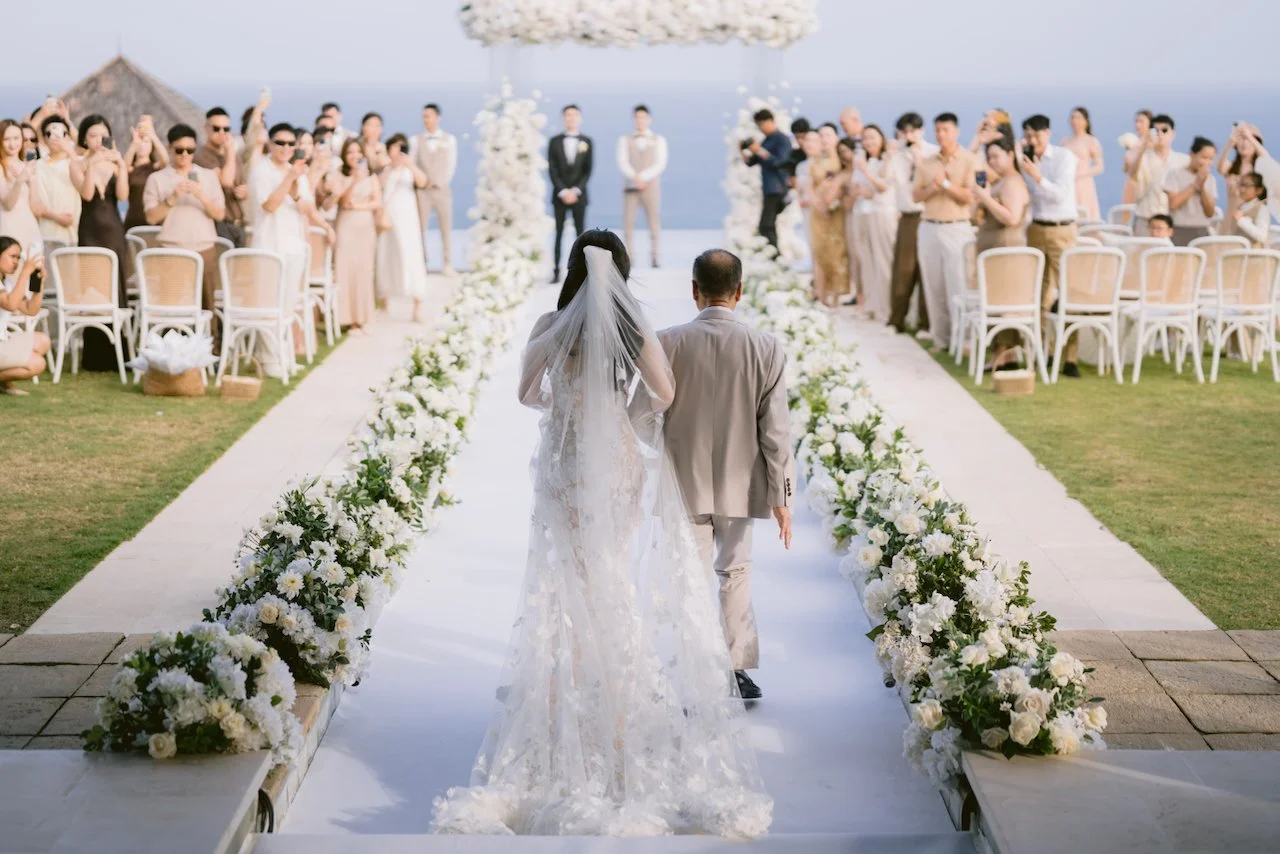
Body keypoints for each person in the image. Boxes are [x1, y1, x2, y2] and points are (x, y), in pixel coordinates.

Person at [431, 231, 772, 838]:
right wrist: (616, 407)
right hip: (615, 460)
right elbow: (664, 392)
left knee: (569, 574)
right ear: (622, 273)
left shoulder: (551, 324)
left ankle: (572, 685)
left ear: (571, 270)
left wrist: (564, 408)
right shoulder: (631, 326)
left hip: (565, 463)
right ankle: (618, 694)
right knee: (611, 569)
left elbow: (525, 393)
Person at [659, 246, 793, 701]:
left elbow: (641, 413)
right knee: (735, 572)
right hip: (742, 482)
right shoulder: (766, 347)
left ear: (694, 290)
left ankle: (693, 664)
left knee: (690, 575)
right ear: (739, 292)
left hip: (682, 481)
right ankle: (735, 670)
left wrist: (665, 448)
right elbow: (776, 430)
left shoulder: (667, 343)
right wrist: (782, 495)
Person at [248, 123, 334, 373]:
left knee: (287, 304)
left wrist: (296, 191)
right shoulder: (261, 170)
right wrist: (289, 179)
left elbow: (306, 207)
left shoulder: (298, 172)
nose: (285, 148)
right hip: (268, 244)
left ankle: (283, 354)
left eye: (290, 144)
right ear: (270, 144)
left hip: (293, 244)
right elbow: (269, 205)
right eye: (280, 143)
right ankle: (269, 359)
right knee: (269, 304)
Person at [142, 123, 226, 343]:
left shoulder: (207, 176)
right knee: (172, 306)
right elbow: (151, 217)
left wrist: (201, 196)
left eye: (190, 150)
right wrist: (173, 197)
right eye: (180, 150)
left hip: (204, 248)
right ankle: (170, 349)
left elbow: (219, 214)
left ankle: (211, 350)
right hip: (171, 250)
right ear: (170, 148)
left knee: (207, 306)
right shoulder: (157, 178)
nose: (185, 155)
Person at [1020, 114, 1080, 375]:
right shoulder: (1025, 160)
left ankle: (1070, 357)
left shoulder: (1064, 158)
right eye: (1028, 136)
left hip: (1061, 229)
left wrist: (1037, 177)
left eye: (1037, 135)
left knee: (1068, 289)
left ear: (1047, 133)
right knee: (1039, 292)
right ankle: (1043, 351)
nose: (1033, 140)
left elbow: (1060, 195)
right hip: (1036, 228)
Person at [913, 112, 976, 351]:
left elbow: (970, 196)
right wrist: (934, 186)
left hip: (957, 227)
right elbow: (916, 195)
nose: (941, 134)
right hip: (929, 226)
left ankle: (964, 341)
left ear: (956, 131)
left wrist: (947, 185)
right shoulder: (926, 162)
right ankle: (941, 339)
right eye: (938, 130)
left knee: (958, 284)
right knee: (934, 286)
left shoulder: (969, 160)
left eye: (945, 130)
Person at [72, 114, 129, 371]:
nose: (98, 140)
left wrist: (122, 166)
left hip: (114, 229)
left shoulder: (115, 163)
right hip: (90, 229)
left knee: (116, 285)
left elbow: (123, 195)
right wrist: (92, 165)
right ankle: (95, 354)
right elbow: (86, 194)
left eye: (103, 135)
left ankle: (119, 352)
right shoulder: (77, 164)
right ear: (84, 138)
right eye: (93, 135)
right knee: (92, 287)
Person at [974, 137, 1031, 371]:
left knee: (1005, 303)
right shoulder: (999, 181)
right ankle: (1002, 354)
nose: (992, 162)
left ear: (1010, 155)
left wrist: (986, 198)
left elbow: (1012, 217)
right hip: (994, 251)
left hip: (1006, 252)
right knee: (997, 303)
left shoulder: (1013, 183)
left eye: (996, 156)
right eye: (989, 157)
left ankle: (1005, 355)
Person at [887, 112, 937, 334]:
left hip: (927, 214)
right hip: (906, 216)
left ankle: (926, 323)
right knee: (903, 270)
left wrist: (919, 162)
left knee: (926, 270)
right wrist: (890, 154)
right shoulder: (897, 155)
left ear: (921, 131)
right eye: (905, 132)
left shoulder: (933, 152)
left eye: (913, 131)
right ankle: (896, 319)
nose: (909, 136)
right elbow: (885, 181)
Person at [375, 133, 429, 322]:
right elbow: (378, 186)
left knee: (412, 257)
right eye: (395, 147)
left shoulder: (410, 169)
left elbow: (423, 182)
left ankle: (417, 306)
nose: (398, 151)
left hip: (408, 220)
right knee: (386, 256)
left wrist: (410, 165)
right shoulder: (385, 170)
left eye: (402, 147)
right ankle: (384, 303)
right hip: (389, 219)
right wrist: (390, 167)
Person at [850, 125, 899, 323]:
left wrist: (867, 177)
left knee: (883, 261)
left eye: (872, 137)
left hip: (881, 214)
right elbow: (855, 187)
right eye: (865, 138)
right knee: (866, 261)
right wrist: (860, 189)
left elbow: (884, 187)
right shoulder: (863, 160)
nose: (869, 142)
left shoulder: (888, 159)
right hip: (862, 213)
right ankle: (870, 305)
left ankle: (886, 309)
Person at [331, 139, 380, 331]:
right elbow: (343, 201)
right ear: (344, 155)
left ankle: (363, 317)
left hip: (365, 226)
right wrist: (354, 181)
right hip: (346, 225)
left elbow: (377, 202)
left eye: (358, 152)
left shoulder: (371, 176)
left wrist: (359, 206)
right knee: (345, 270)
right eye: (350, 152)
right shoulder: (339, 175)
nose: (355, 156)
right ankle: (348, 319)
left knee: (364, 270)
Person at [617, 104, 668, 268]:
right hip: (630, 186)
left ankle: (655, 256)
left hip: (651, 186)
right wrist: (634, 177)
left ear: (649, 119)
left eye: (643, 117)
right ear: (633, 119)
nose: (640, 120)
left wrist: (644, 177)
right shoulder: (624, 140)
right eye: (637, 117)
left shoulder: (659, 140)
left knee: (654, 221)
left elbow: (660, 163)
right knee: (628, 222)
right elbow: (622, 161)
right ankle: (629, 256)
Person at [547, 104, 594, 282]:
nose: (571, 118)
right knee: (558, 234)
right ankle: (556, 271)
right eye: (568, 115)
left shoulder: (587, 141)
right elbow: (552, 168)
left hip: (579, 196)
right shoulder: (554, 141)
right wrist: (562, 190)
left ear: (579, 118)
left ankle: (581, 272)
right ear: (563, 118)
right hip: (559, 195)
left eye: (574, 115)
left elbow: (588, 170)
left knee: (581, 235)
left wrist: (575, 190)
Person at [410, 103, 457, 275]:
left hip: (442, 189)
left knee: (446, 226)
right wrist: (422, 183)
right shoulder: (416, 140)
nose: (426, 120)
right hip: (422, 191)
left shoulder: (449, 140)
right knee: (420, 228)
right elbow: (413, 163)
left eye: (429, 116)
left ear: (438, 118)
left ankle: (447, 262)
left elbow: (451, 165)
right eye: (424, 116)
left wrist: (441, 181)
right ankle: (422, 263)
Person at [0, 238, 50, 396]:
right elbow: (10, 304)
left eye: (18, 257)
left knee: (43, 341)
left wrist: (39, 284)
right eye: (12, 256)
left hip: (3, 339)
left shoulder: (7, 282)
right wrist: (25, 272)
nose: (16, 262)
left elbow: (30, 309)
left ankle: (3, 382)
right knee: (37, 363)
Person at [1127, 114, 1188, 236]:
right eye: (1156, 131)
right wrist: (1144, 147)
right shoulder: (1143, 157)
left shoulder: (1183, 160)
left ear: (1173, 133)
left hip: (1171, 222)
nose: (1160, 134)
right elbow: (1132, 174)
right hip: (1145, 219)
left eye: (1164, 130)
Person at [740, 109, 792, 251]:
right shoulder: (766, 141)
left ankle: (774, 255)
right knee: (769, 225)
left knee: (766, 225)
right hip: (769, 189)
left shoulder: (782, 139)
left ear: (770, 121)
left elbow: (780, 162)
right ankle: (773, 254)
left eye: (762, 124)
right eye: (758, 125)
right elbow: (751, 162)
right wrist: (743, 150)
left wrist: (759, 150)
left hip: (779, 188)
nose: (761, 128)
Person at [194, 107, 248, 246]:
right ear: (206, 128)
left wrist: (243, 192)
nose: (222, 133)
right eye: (216, 128)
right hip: (218, 224)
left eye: (226, 129)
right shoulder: (202, 155)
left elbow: (241, 185)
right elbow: (226, 181)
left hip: (238, 223)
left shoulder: (233, 156)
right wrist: (230, 151)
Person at [809, 124, 849, 307]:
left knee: (837, 252)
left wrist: (833, 200)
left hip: (836, 211)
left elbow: (845, 184)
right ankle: (821, 295)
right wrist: (818, 203)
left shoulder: (841, 160)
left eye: (828, 135)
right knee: (820, 252)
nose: (824, 139)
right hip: (818, 213)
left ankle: (836, 298)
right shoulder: (816, 161)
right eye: (821, 136)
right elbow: (809, 187)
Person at [32, 116, 80, 246]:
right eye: (49, 133)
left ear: (69, 137)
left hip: (72, 236)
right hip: (44, 235)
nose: (55, 137)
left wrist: (70, 150)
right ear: (43, 139)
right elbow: (35, 205)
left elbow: (87, 147)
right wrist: (57, 217)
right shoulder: (36, 166)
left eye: (61, 133)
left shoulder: (75, 163)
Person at [0, 120, 43, 260]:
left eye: (16, 138)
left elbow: (36, 209)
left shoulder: (27, 166)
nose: (12, 144)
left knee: (35, 270)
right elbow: (8, 204)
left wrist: (32, 180)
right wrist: (19, 181)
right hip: (8, 231)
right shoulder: (1, 167)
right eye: (7, 139)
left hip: (30, 230)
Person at [1163, 136, 1218, 246]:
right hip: (1179, 229)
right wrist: (1195, 185)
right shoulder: (1175, 174)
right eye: (1204, 157)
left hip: (1202, 230)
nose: (1207, 163)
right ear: (1192, 154)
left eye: (1210, 159)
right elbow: (1173, 204)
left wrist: (1202, 186)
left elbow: (1210, 212)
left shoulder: (1210, 179)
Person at [122, 115, 169, 231]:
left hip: (154, 220)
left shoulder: (155, 167)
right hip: (133, 220)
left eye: (146, 142)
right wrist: (134, 143)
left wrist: (152, 135)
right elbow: (123, 167)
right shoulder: (130, 169)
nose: (142, 145)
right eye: (140, 142)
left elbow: (165, 160)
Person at [1218, 123, 1263, 239]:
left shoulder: (1259, 168)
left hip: (1251, 218)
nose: (1244, 143)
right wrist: (1230, 143)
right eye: (1241, 139)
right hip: (1230, 218)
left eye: (1248, 140)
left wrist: (1250, 136)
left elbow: (1266, 159)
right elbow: (1219, 167)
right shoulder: (1232, 168)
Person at [1062, 107, 1103, 221]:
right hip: (1067, 182)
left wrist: (1081, 174)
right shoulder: (1065, 141)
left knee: (1084, 213)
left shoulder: (1091, 141)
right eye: (1072, 117)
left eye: (1078, 118)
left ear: (1086, 121)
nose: (1075, 121)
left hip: (1083, 183)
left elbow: (1099, 166)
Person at [1121, 109, 1154, 206]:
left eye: (1141, 121)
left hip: (1146, 185)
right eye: (1136, 121)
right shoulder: (1134, 143)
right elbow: (1125, 170)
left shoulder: (1153, 143)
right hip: (1131, 184)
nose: (1138, 125)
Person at [1231, 173, 1272, 247]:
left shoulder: (1262, 208)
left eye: (1247, 186)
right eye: (1241, 185)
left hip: (1253, 253)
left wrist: (1241, 220)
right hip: (1237, 251)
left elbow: (1262, 237)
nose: (1242, 189)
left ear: (1258, 190)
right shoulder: (1240, 207)